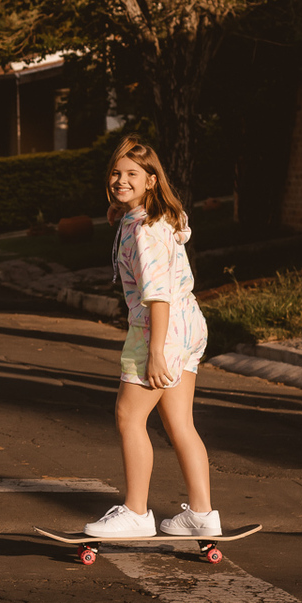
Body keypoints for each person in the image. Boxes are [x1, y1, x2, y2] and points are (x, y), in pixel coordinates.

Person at [82, 135, 220, 539]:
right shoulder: (153, 219)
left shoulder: (144, 229)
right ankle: (200, 513)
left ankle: (137, 512)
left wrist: (156, 352)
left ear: (151, 181)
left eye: (131, 175)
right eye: (116, 173)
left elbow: (156, 293)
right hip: (189, 322)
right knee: (179, 422)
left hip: (159, 328)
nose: (120, 180)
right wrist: (122, 211)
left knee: (129, 416)